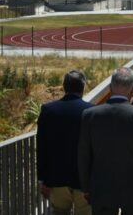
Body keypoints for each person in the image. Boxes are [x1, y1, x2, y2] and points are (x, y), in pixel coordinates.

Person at [79, 67, 133, 215]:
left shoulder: (90, 115)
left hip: (101, 189)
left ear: (110, 88)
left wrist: (86, 187)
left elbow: (83, 155)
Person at [36, 70, 93, 215]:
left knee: (59, 211)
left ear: (64, 87)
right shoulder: (92, 111)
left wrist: (43, 179)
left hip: (57, 178)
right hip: (84, 180)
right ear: (83, 87)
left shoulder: (49, 110)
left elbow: (42, 147)